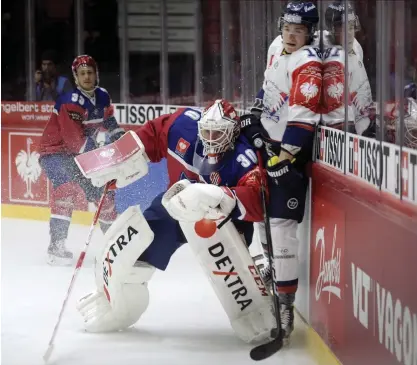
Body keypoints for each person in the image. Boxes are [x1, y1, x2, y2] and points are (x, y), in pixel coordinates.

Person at [74, 100, 277, 344]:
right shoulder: (184, 126)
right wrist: (123, 157)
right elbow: (153, 133)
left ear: (233, 132)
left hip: (223, 219)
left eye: (219, 133)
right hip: (176, 203)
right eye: (207, 131)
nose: (211, 138)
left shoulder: (245, 157)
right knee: (133, 245)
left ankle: (257, 306)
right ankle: (119, 303)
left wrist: (220, 195)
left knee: (236, 276)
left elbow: (259, 200)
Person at [238, 1, 322, 340]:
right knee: (261, 217)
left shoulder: (309, 64)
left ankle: (285, 310)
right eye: (287, 27)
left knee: (281, 228)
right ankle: (271, 276)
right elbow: (269, 88)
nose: (291, 34)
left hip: (288, 154)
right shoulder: (277, 47)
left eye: (299, 30)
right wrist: (255, 113)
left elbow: (304, 116)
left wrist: (283, 158)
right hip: (269, 148)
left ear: (310, 33)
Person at [39, 54, 124, 265]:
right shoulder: (70, 101)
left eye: (90, 72)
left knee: (104, 194)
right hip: (55, 152)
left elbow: (110, 122)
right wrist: (104, 155)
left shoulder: (103, 96)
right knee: (66, 189)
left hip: (81, 154)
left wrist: (122, 141)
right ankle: (56, 245)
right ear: (76, 78)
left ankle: (116, 244)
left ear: (96, 75)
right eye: (82, 73)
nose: (87, 77)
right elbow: (74, 141)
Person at [321, 1, 376, 137]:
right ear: (332, 29)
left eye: (351, 27)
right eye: (342, 29)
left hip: (365, 125)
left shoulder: (356, 46)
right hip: (341, 130)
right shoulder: (325, 55)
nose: (349, 34)